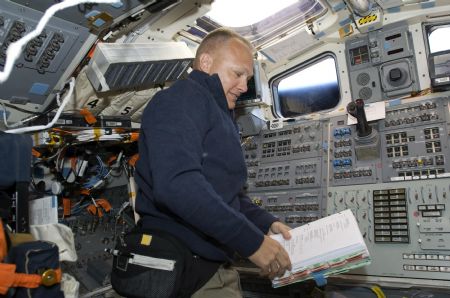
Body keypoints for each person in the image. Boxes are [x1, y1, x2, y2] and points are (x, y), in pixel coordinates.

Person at [134, 28, 292, 297]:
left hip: (210, 264)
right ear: (206, 63)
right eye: (237, 74)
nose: (244, 86)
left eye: (248, 78)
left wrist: (265, 223)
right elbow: (178, 186)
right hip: (184, 266)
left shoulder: (217, 112)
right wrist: (252, 243)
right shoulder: (179, 99)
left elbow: (223, 193)